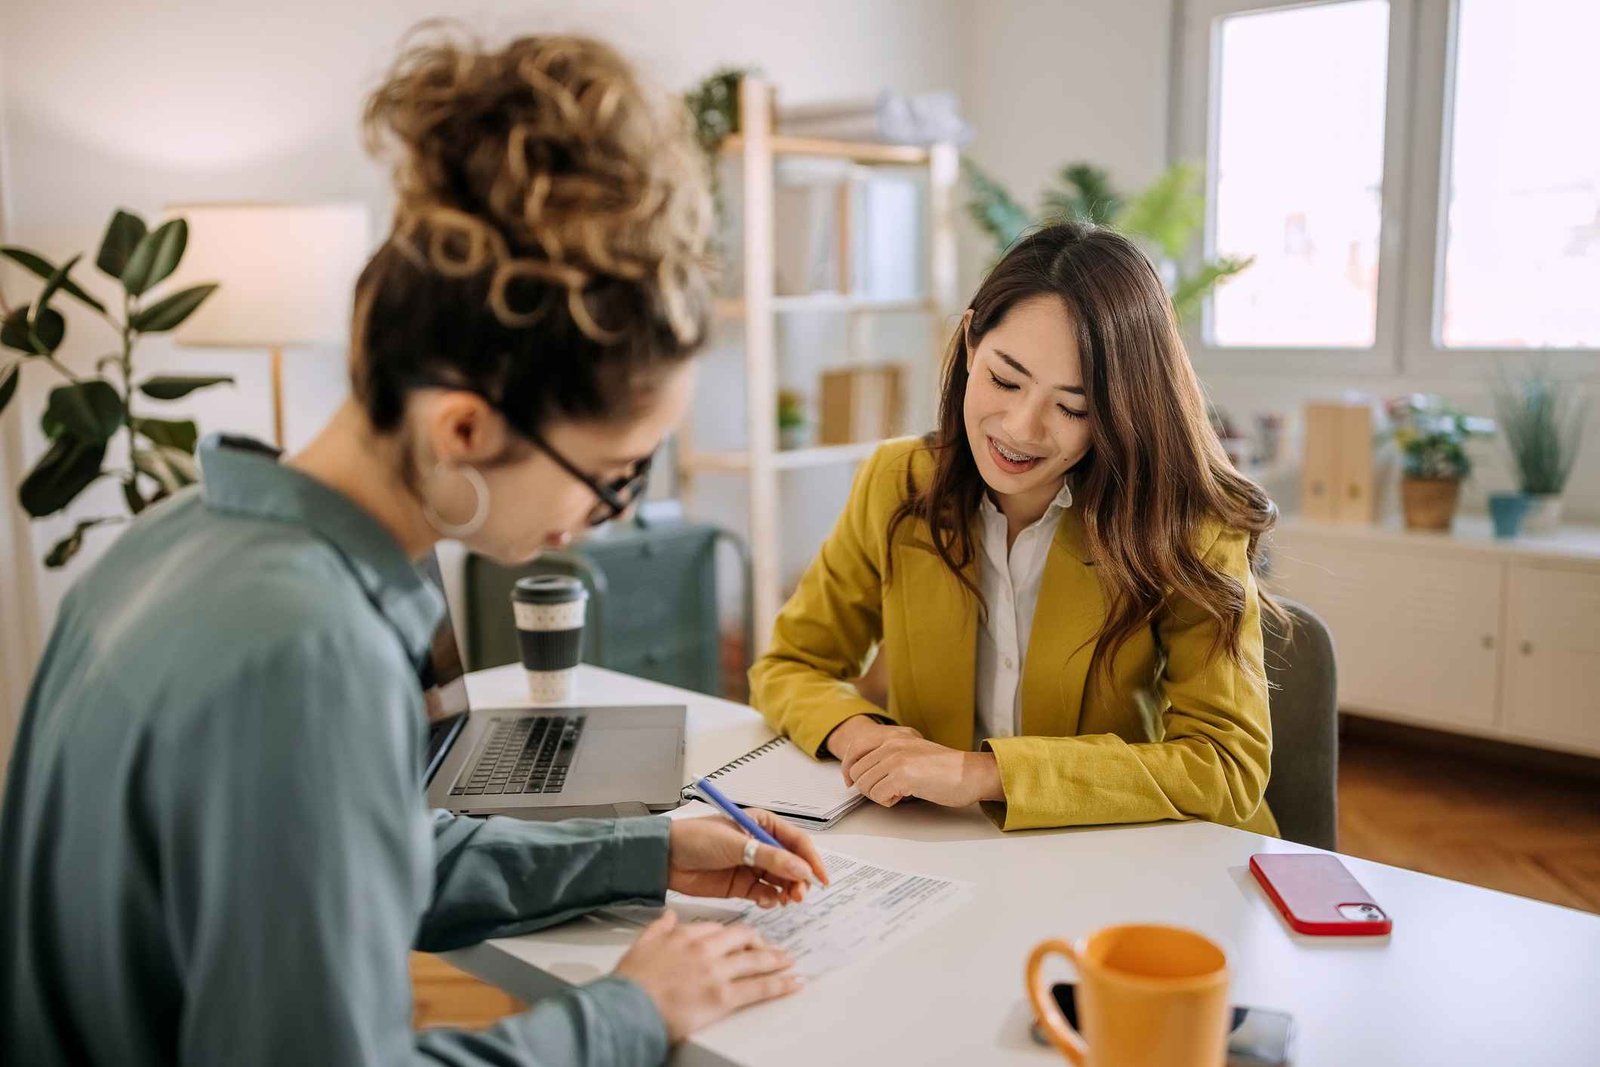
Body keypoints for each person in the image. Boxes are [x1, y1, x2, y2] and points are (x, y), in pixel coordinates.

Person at [0, 29, 827, 1067]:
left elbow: (354, 863)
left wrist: (644, 848)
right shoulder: (308, 653)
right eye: (612, 473)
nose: (610, 514)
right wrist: (625, 1011)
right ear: (464, 430)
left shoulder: (177, 534)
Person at [751, 221, 1283, 834]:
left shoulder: (1185, 524)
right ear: (972, 344)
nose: (1022, 429)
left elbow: (1226, 764)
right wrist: (860, 737)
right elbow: (790, 663)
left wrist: (983, 774)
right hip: (947, 848)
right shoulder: (898, 481)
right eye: (1005, 379)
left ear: (1119, 411)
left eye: (1073, 406)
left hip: (1133, 855)